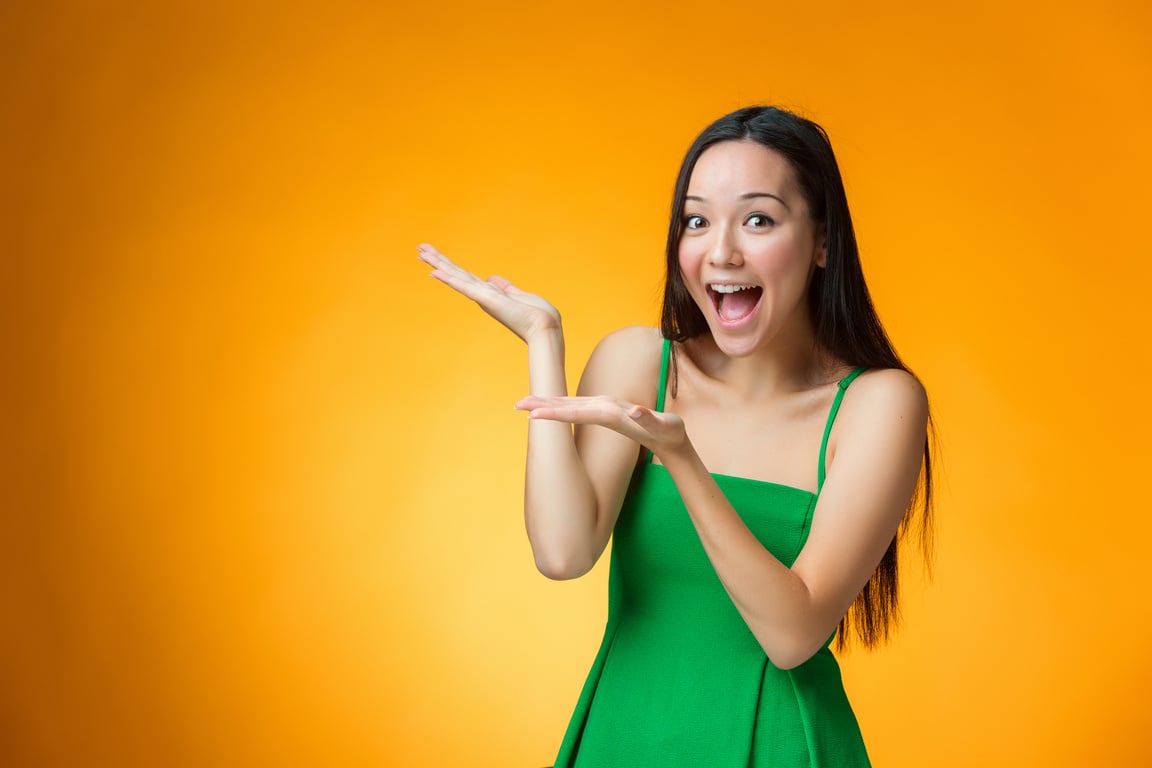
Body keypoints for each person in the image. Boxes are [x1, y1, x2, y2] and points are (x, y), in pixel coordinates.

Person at [417, 105, 934, 767]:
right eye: (697, 220)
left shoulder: (877, 403)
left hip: (777, 742)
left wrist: (681, 459)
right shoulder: (639, 363)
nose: (720, 251)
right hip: (625, 734)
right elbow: (563, 551)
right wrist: (544, 341)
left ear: (824, 241)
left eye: (758, 219)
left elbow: (792, 633)